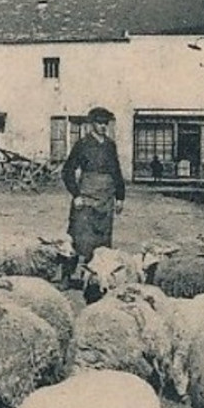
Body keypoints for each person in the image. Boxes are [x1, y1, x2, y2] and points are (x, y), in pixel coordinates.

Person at [61, 106, 126, 285]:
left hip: (106, 198)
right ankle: (67, 276)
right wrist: (76, 195)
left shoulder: (110, 145)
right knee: (77, 235)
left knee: (102, 241)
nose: (103, 126)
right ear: (91, 124)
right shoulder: (82, 144)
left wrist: (120, 197)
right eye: (99, 123)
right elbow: (67, 171)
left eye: (106, 123)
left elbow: (117, 172)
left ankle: (97, 278)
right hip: (86, 197)